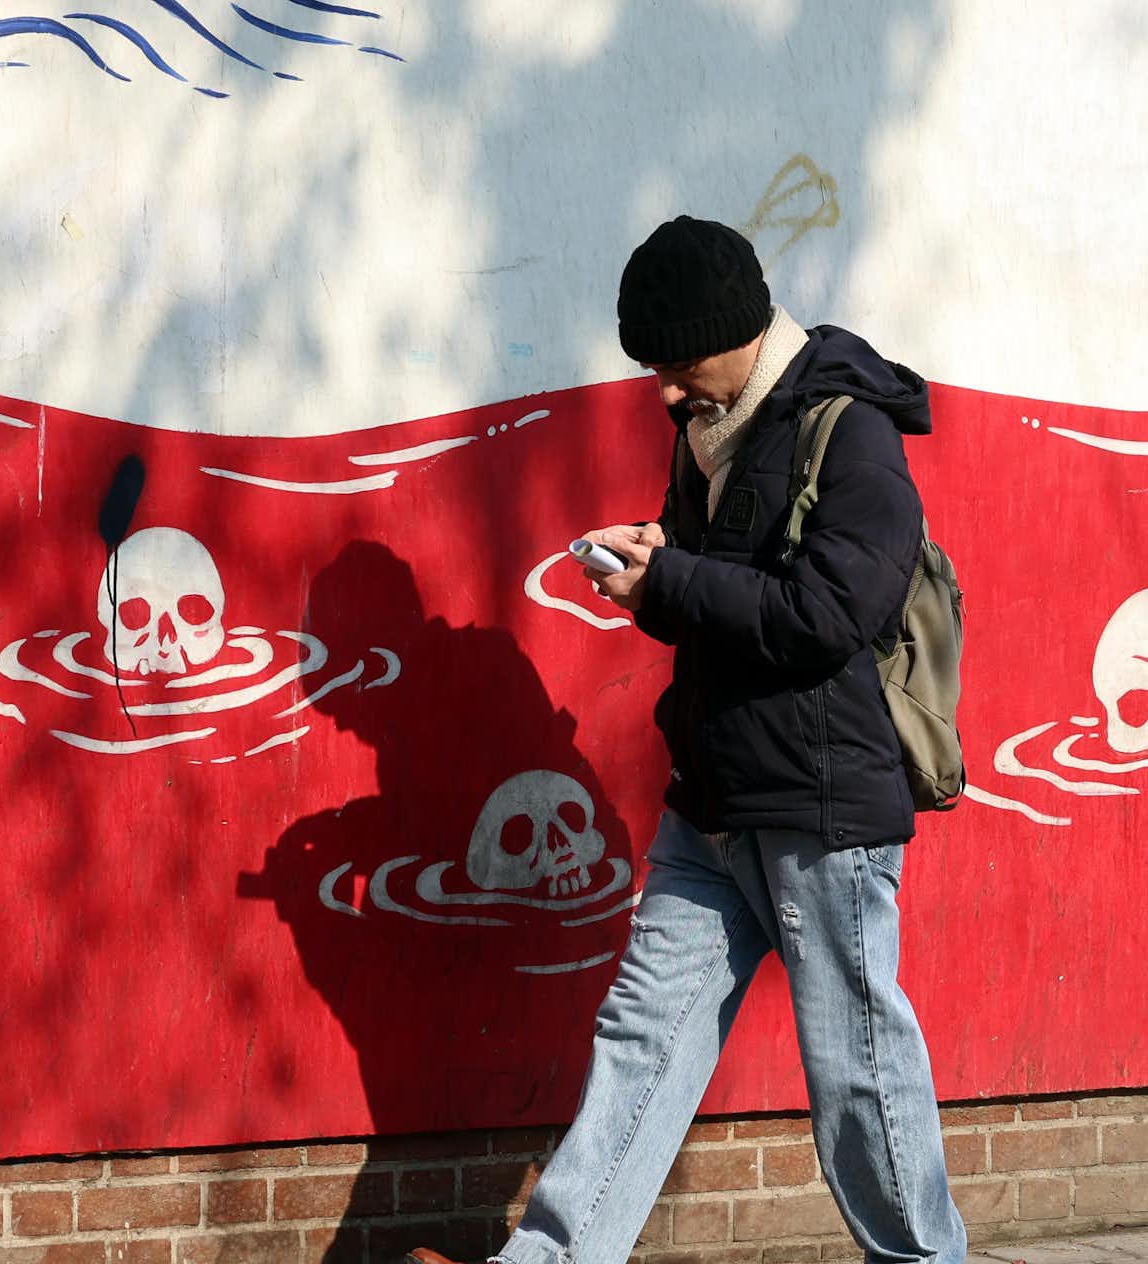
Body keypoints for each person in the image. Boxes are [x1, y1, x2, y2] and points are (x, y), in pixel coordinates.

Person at [407, 216, 968, 1264]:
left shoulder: (852, 435)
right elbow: (717, 606)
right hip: (712, 805)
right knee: (641, 1044)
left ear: (737, 331)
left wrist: (673, 578)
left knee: (857, 1071)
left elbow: (826, 616)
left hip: (821, 809)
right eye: (653, 369)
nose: (664, 390)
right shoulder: (708, 432)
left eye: (677, 363)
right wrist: (651, 567)